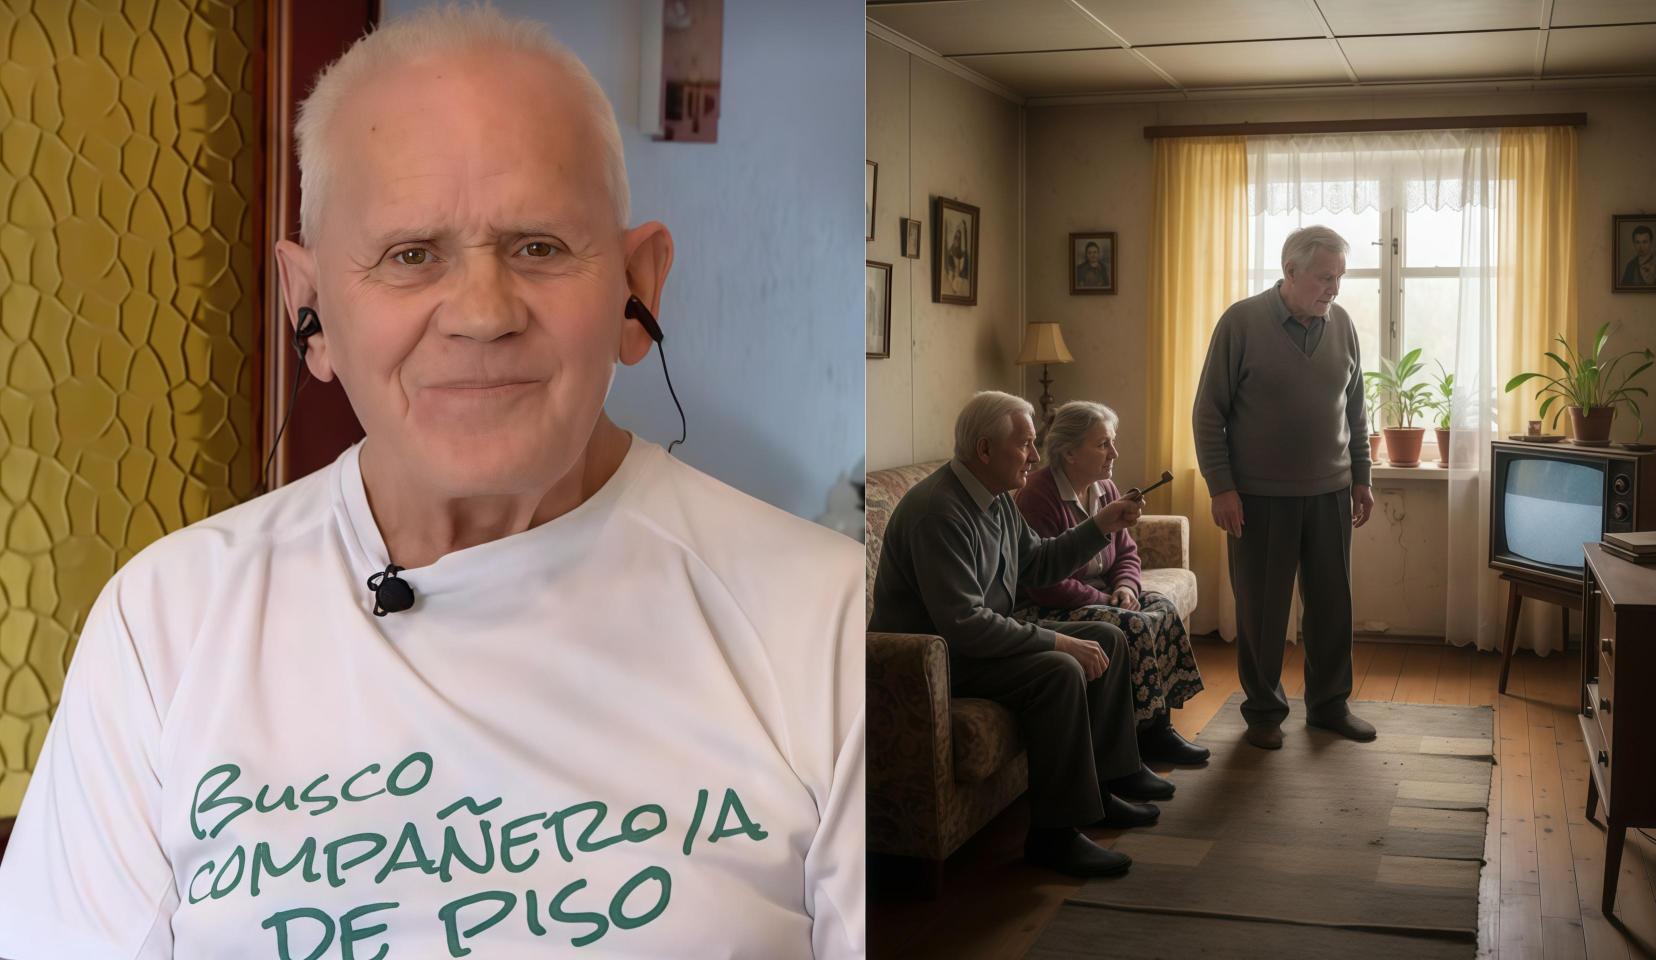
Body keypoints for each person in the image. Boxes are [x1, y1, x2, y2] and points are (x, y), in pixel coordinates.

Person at [0, 7, 863, 959]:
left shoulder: (821, 618)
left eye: (538, 246)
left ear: (637, 290)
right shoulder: (163, 623)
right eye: (412, 256)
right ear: (311, 309)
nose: (483, 315)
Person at [869, 391, 1161, 879]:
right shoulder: (939, 512)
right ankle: (1054, 836)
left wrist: (1100, 525)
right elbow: (963, 624)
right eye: (1025, 444)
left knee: (1108, 637)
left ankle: (1104, 789)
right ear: (985, 450)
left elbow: (1039, 561)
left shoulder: (996, 500)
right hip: (933, 661)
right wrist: (1058, 641)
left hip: (979, 643)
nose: (1034, 455)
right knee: (1060, 669)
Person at [1191, 225, 1376, 752]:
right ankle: (1265, 711)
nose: (1334, 288)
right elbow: (1209, 413)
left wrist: (1361, 477)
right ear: (1290, 271)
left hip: (1330, 493)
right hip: (1257, 498)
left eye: (1339, 277)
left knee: (1331, 605)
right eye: (1324, 277)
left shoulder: (1342, 325)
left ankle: (1329, 706)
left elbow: (1356, 410)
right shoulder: (1241, 322)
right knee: (1262, 610)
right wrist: (1221, 487)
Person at [1016, 401, 1208, 767]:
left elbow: (1126, 551)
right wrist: (1105, 598)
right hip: (1051, 602)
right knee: (1133, 624)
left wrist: (1126, 588)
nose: (1114, 453)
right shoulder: (1039, 497)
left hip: (1102, 591)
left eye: (1112, 442)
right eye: (1103, 444)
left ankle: (1158, 728)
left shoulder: (1103, 486)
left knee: (1160, 609)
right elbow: (1045, 582)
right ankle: (1139, 739)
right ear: (1069, 452)